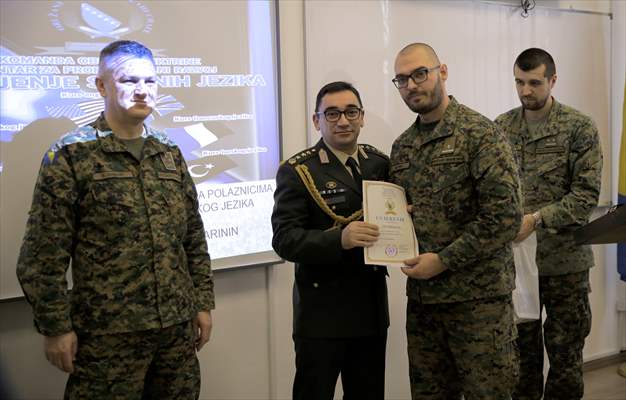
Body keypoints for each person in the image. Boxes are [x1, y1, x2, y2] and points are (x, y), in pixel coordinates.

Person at [16, 40, 214, 399]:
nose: (142, 91)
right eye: (128, 80)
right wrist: (55, 327)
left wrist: (202, 303)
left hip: (175, 332)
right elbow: (42, 254)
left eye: (150, 82)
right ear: (102, 86)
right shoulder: (71, 154)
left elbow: (193, 239)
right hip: (108, 338)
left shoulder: (168, 152)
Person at [389, 42, 522, 399]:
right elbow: (403, 215)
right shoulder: (402, 148)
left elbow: (505, 218)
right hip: (424, 305)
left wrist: (444, 260)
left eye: (420, 74)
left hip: (479, 304)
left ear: (442, 72)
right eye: (402, 79)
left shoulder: (481, 135)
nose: (412, 85)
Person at [495, 48, 602, 400]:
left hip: (565, 263)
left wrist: (537, 219)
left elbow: (585, 197)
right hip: (516, 266)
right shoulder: (501, 127)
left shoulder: (578, 128)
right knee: (521, 360)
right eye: (519, 82)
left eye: (534, 83)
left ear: (553, 80)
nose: (526, 91)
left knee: (565, 358)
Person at [271, 81, 389, 400]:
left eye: (351, 112)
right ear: (316, 121)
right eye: (332, 113)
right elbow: (284, 240)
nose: (343, 120)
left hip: (370, 311)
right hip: (321, 316)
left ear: (362, 116)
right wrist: (340, 240)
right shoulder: (299, 170)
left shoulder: (379, 164)